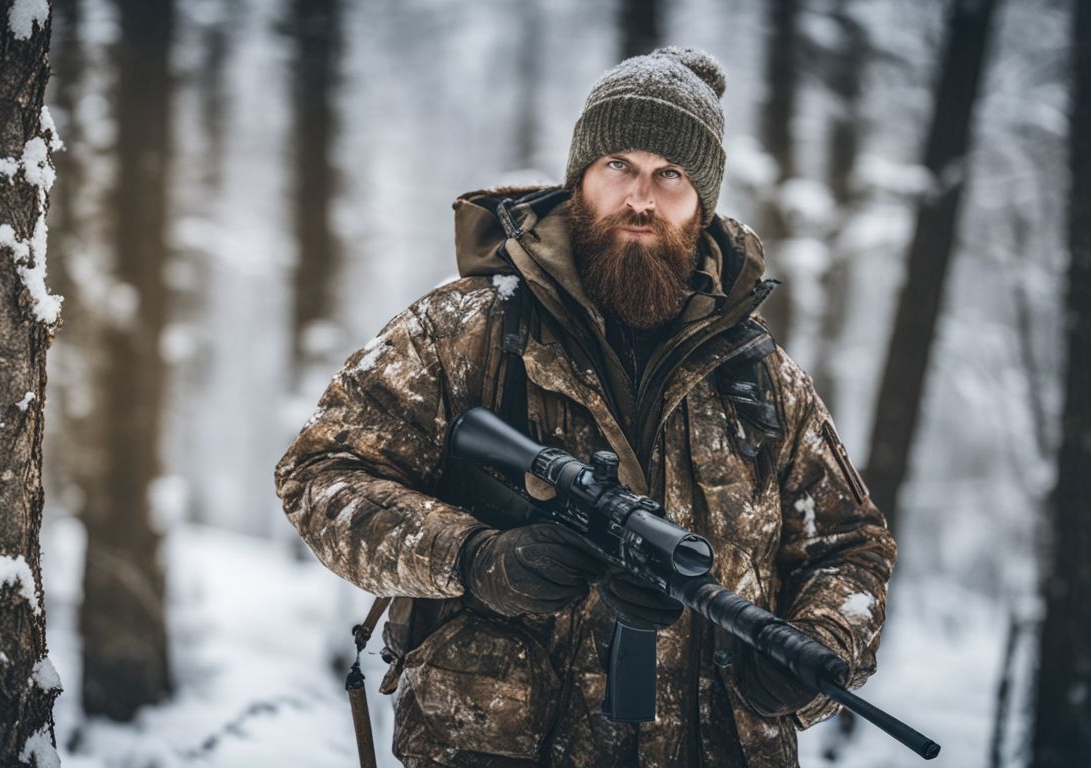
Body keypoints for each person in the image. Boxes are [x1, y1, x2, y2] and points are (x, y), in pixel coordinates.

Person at [275, 47, 896, 768]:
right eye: (619, 167)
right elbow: (320, 476)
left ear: (704, 200)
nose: (642, 197)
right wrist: (473, 556)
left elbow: (851, 549)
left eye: (672, 175)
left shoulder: (759, 375)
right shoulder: (466, 328)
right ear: (580, 181)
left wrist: (816, 648)